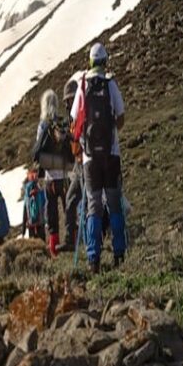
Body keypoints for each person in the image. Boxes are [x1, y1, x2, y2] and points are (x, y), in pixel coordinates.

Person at [71, 43, 126, 273]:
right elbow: (121, 116)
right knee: (114, 204)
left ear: (90, 61)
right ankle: (119, 253)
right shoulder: (110, 83)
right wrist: (112, 132)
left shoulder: (82, 86)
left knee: (93, 207)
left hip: (89, 158)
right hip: (111, 155)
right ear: (105, 61)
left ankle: (93, 259)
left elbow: (74, 121)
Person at [36, 89, 68, 257]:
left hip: (49, 178)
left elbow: (38, 151)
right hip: (64, 175)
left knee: (52, 213)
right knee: (68, 209)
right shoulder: (61, 123)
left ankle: (54, 248)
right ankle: (73, 240)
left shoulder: (42, 125)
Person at [62, 76, 85, 251]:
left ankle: (90, 237)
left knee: (88, 201)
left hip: (85, 163)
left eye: (68, 100)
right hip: (78, 165)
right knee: (70, 200)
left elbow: (80, 138)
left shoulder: (81, 114)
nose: (66, 105)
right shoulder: (72, 118)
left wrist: (67, 137)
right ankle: (71, 239)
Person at [20, 170, 46, 239]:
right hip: (40, 222)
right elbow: (45, 204)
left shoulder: (26, 191)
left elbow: (25, 211)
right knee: (42, 242)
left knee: (33, 245)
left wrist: (23, 231)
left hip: (31, 223)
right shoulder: (40, 189)